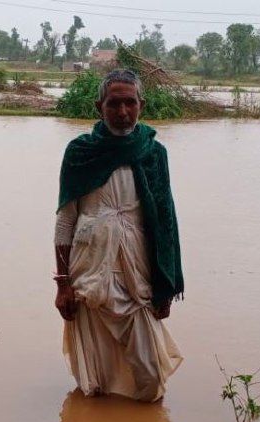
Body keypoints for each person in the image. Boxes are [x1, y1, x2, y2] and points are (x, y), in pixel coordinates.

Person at [53, 69, 184, 402]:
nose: (122, 112)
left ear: (142, 104)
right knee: (95, 376)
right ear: (100, 106)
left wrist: (166, 285)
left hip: (137, 272)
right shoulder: (80, 152)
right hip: (90, 271)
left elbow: (166, 221)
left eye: (130, 103)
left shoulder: (154, 154)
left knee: (151, 376)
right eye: (114, 103)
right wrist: (63, 284)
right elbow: (66, 220)